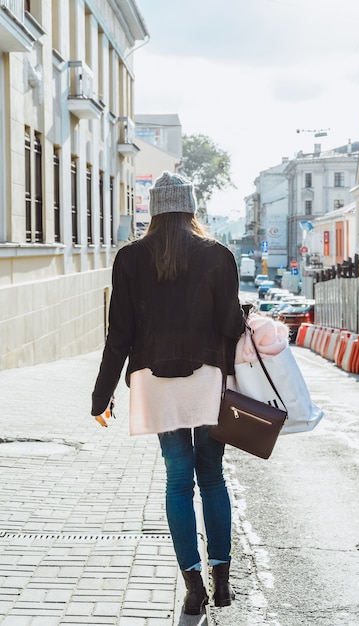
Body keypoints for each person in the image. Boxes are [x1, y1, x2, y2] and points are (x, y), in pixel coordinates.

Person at [91, 171, 245, 615]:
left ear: (154, 210)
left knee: (179, 480)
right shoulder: (217, 255)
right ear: (190, 207)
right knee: (212, 476)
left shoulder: (130, 258)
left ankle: (192, 587)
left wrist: (101, 396)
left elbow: (117, 334)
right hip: (207, 379)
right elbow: (232, 327)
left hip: (154, 383)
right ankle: (222, 582)